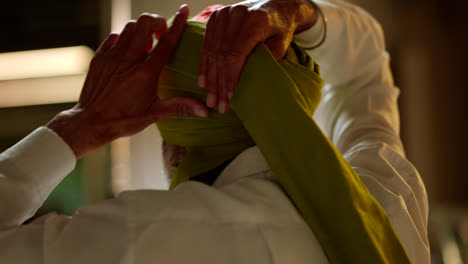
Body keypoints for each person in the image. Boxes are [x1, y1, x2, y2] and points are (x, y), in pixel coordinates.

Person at [0, 0, 429, 263]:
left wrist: (80, 123)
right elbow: (366, 66)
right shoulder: (388, 192)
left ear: (176, 143)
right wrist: (293, 9)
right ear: (301, 98)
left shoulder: (133, 236)